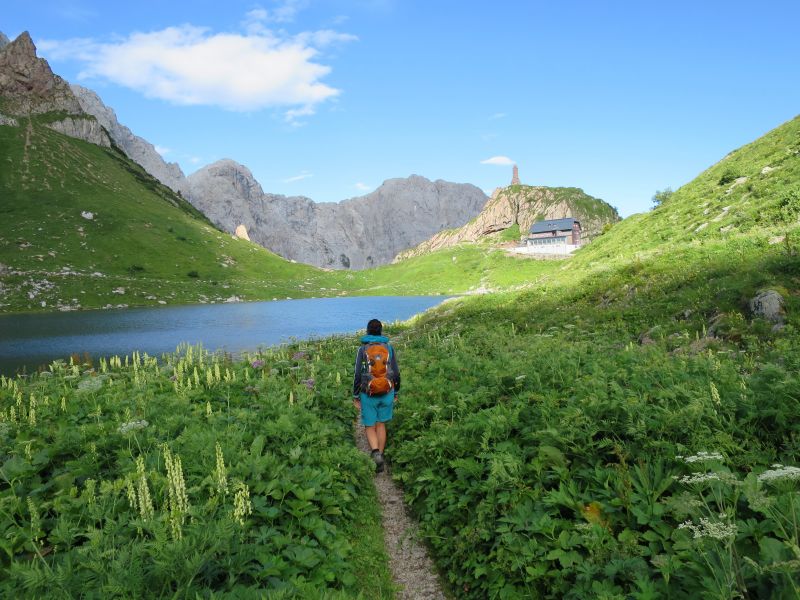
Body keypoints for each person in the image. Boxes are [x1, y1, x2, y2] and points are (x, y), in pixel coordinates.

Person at [352, 319, 400, 473]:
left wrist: (355, 395)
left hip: (368, 392)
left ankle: (375, 453)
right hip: (387, 391)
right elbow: (396, 372)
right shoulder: (389, 347)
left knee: (369, 425)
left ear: (367, 331)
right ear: (381, 331)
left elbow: (357, 374)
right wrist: (396, 391)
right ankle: (381, 455)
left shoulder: (362, 349)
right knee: (381, 424)